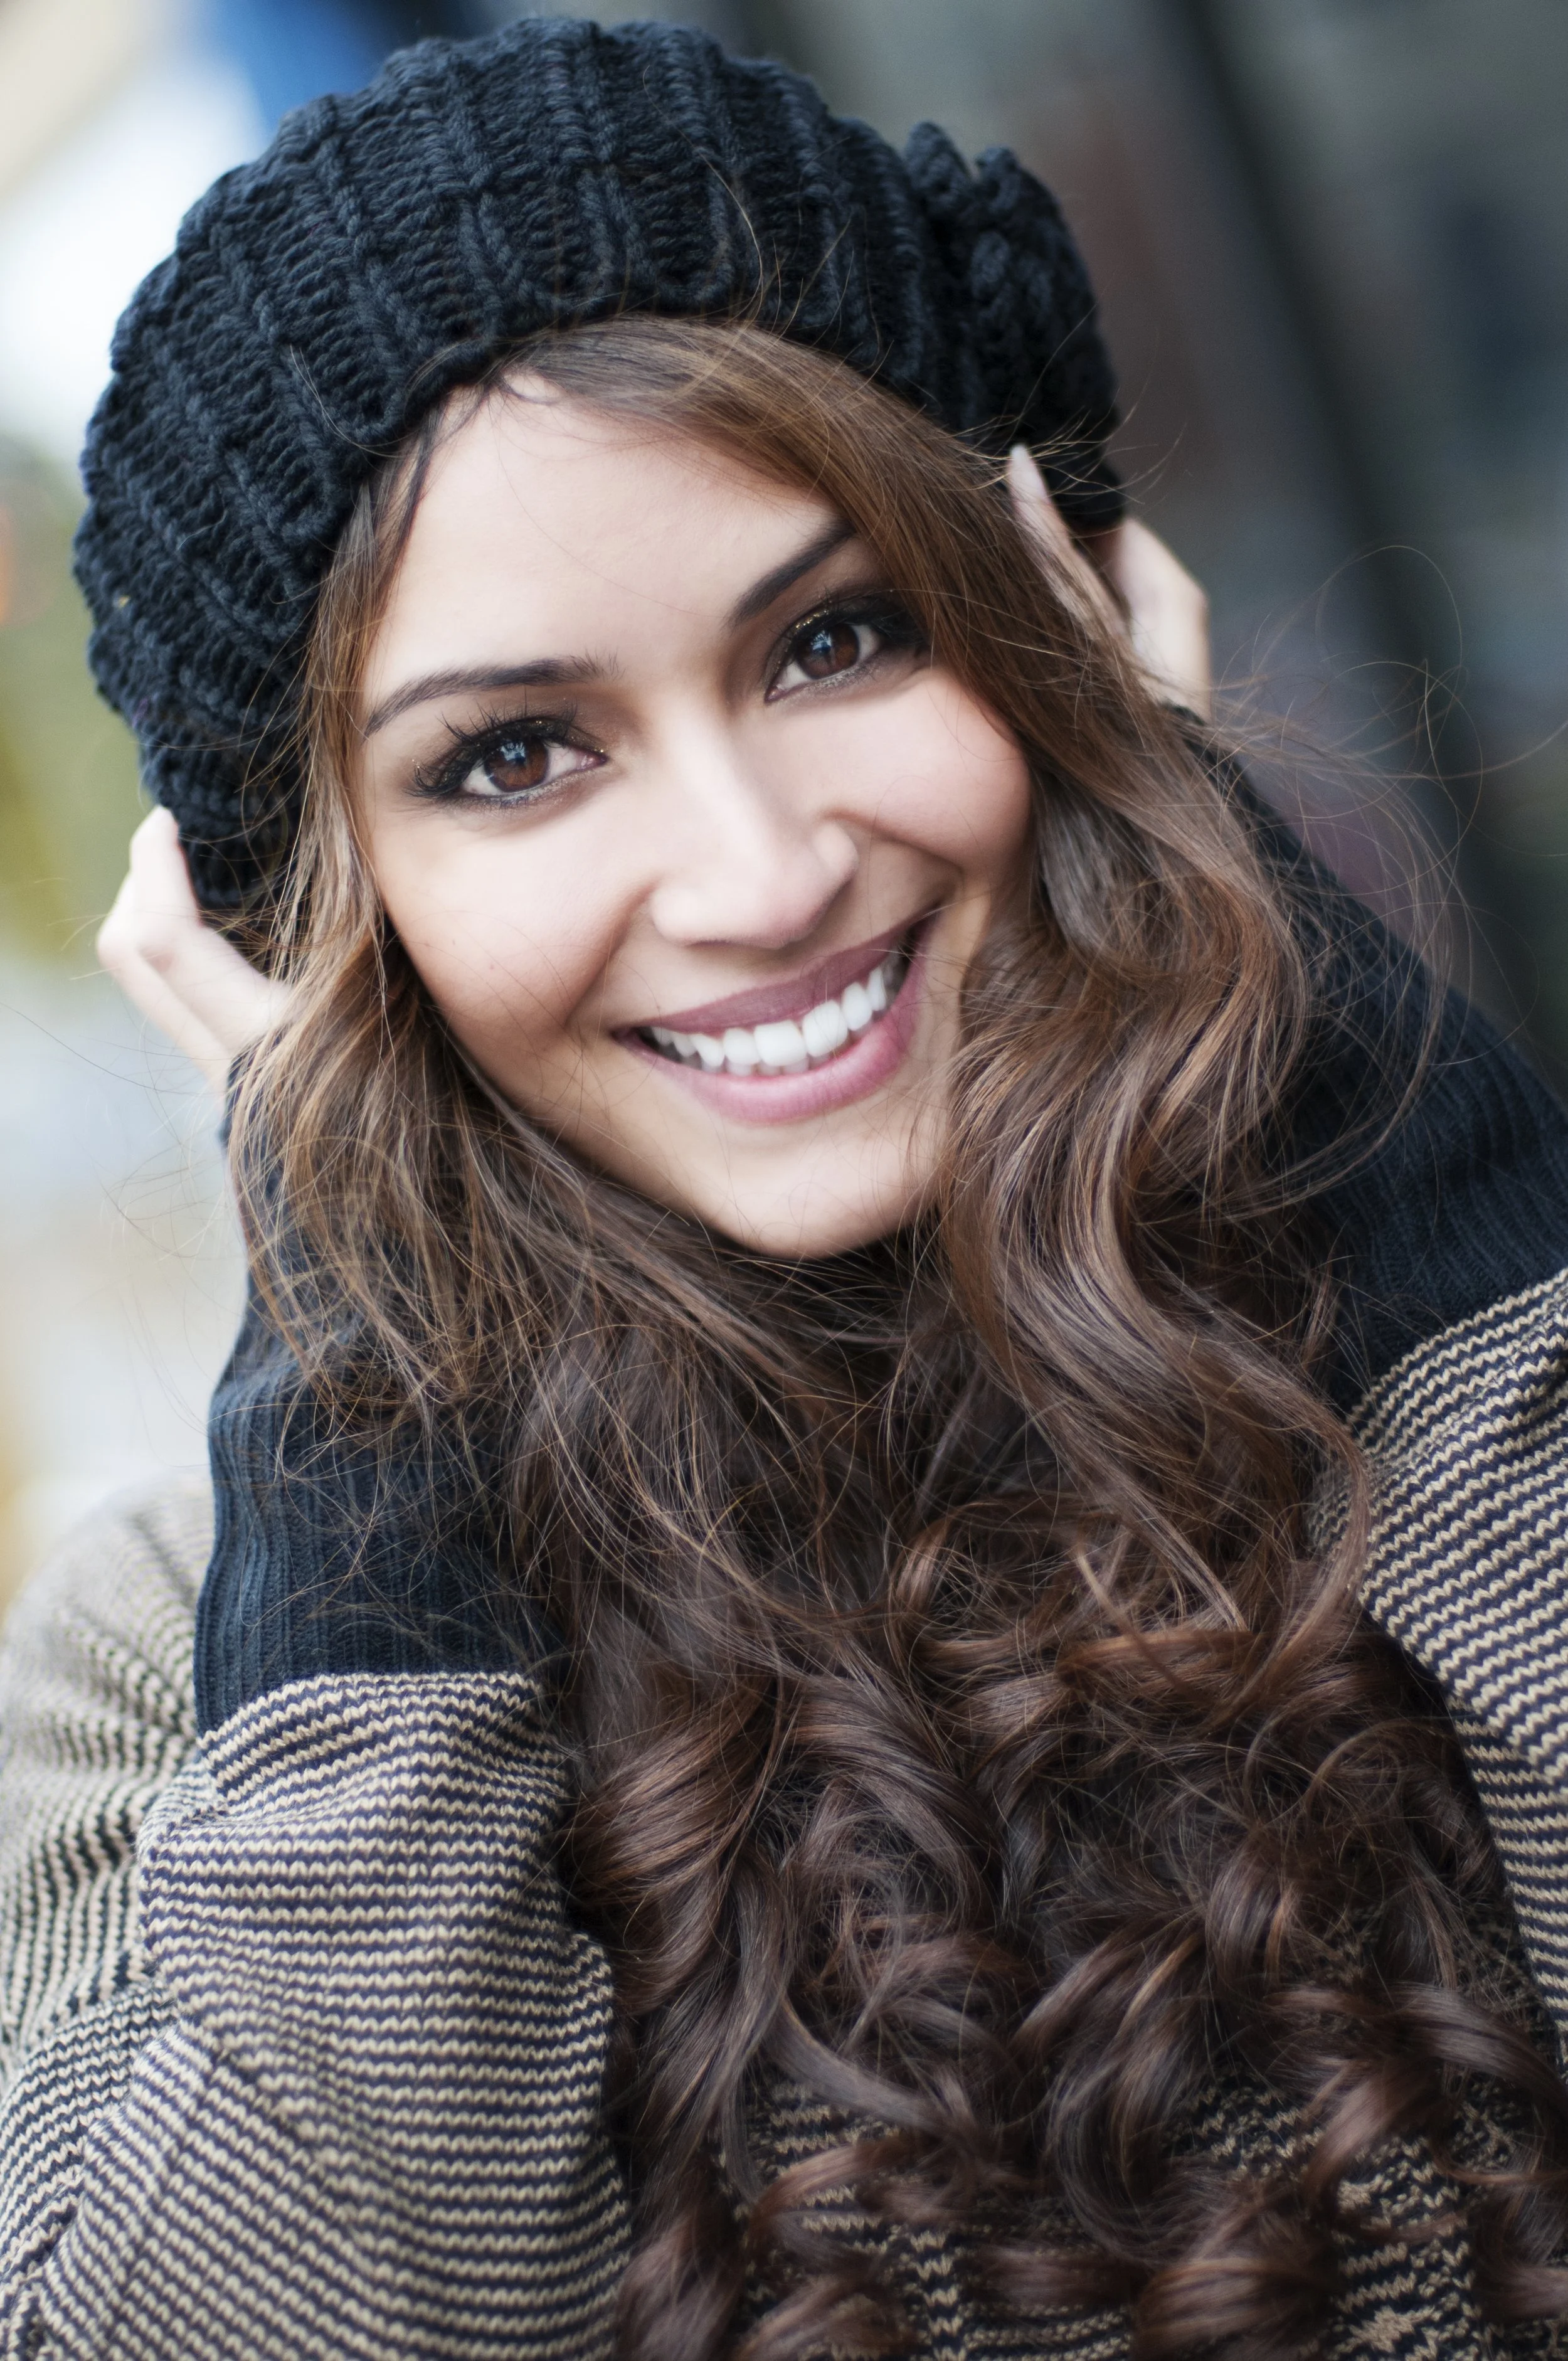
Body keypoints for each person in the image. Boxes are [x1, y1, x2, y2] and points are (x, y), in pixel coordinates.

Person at [7, 16, 1568, 2358]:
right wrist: (371, 1365)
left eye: (839, 637)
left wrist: (1320, 1079)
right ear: (292, 918)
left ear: (1047, 623)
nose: (754, 875)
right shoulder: (178, 1660)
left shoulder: (1449, 1358)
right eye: (513, 758)